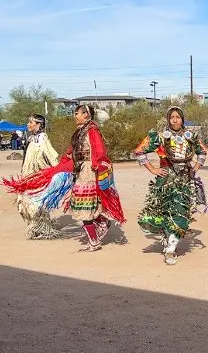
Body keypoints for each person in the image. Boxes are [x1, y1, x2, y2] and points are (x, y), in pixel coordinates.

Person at [4, 105, 125, 251]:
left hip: (89, 171)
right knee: (81, 204)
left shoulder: (91, 130)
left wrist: (97, 165)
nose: (75, 116)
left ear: (86, 115)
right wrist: (62, 165)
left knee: (83, 204)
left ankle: (94, 239)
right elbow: (71, 151)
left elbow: (99, 150)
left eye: (77, 113)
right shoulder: (80, 131)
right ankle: (102, 224)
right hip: (80, 170)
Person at [134, 106, 207, 265]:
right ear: (168, 119)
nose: (175, 120)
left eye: (178, 117)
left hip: (185, 179)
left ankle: (171, 248)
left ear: (182, 119)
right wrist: (153, 169)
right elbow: (139, 151)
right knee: (165, 212)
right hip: (166, 180)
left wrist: (194, 169)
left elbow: (202, 152)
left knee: (180, 211)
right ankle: (170, 241)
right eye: (172, 117)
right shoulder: (159, 136)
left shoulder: (191, 136)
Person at [12, 114, 60, 239]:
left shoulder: (42, 138)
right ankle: (37, 227)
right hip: (29, 175)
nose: (28, 124)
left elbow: (51, 156)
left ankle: (43, 229)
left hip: (38, 175)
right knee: (24, 203)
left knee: (37, 203)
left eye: (31, 122)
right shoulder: (31, 138)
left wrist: (58, 170)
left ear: (38, 124)